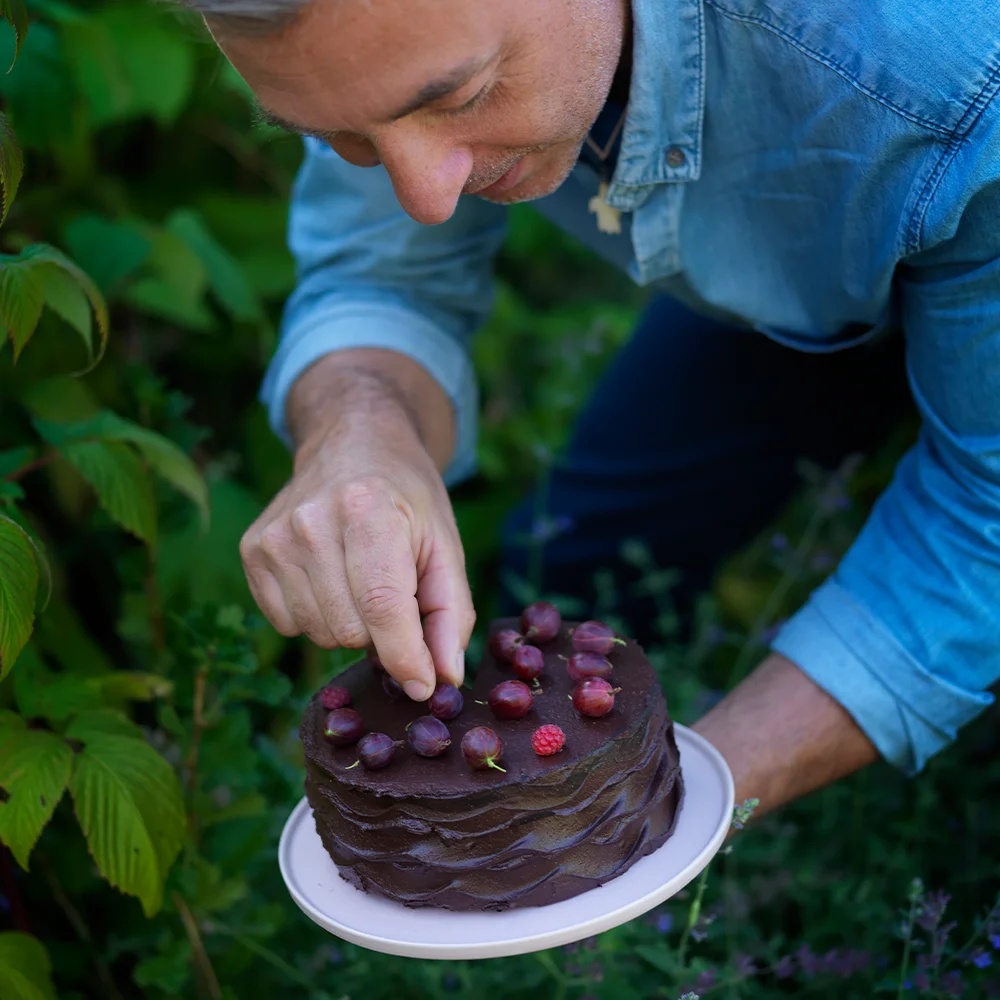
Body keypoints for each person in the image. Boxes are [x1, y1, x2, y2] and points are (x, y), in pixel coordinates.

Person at [190, 0, 1000, 819]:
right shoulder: (371, 44)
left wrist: (682, 801)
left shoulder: (950, 89)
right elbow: (376, 276)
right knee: (581, 578)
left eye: (461, 97)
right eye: (348, 141)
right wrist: (361, 431)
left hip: (948, 183)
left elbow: (987, 519)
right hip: (803, 274)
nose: (425, 195)